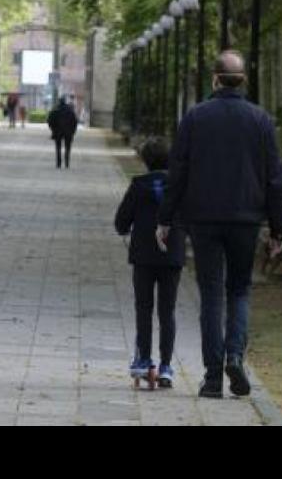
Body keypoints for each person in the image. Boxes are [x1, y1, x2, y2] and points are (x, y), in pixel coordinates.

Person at [157, 51, 282, 399]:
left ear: (215, 79)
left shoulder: (196, 117)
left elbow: (178, 171)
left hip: (203, 217)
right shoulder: (260, 120)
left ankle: (213, 377)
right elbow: (275, 178)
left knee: (211, 293)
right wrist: (277, 229)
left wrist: (165, 218)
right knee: (240, 290)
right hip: (246, 218)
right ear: (243, 81)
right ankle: (234, 355)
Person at [115, 138, 183, 389]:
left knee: (143, 308)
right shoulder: (178, 186)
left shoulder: (138, 186)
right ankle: (166, 367)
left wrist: (128, 227)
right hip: (172, 255)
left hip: (143, 256)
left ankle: (143, 359)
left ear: (144, 160)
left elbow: (121, 222)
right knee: (168, 311)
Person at [46, 95, 79, 168]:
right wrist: (73, 131)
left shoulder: (55, 110)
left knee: (58, 148)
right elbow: (75, 122)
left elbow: (49, 121)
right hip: (68, 132)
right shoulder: (70, 111)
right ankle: (67, 163)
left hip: (58, 132)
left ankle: (58, 163)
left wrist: (53, 129)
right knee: (68, 148)